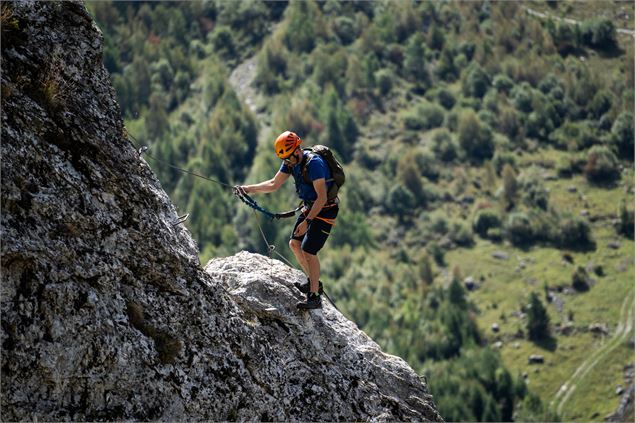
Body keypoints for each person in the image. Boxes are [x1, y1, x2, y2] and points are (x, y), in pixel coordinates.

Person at [234, 131, 338, 310]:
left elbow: (321, 198)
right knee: (294, 244)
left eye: (289, 158)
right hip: (310, 207)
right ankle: (314, 283)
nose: (287, 163)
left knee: (309, 250)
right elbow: (274, 184)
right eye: (285, 160)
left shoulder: (315, 164)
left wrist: (307, 222)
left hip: (325, 209)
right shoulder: (291, 162)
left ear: (297, 151)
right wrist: (247, 189)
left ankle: (314, 297)